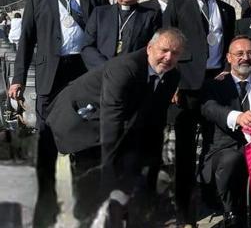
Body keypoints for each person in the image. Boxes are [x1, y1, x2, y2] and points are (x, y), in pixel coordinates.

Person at [8, 0, 110, 227]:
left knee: (89, 136)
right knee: (48, 137)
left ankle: (86, 203)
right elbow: (26, 42)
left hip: (85, 72)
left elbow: (106, 36)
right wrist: (17, 78)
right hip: (50, 75)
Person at [46, 28, 185, 227]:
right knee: (93, 180)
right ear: (149, 48)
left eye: (175, 53)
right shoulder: (125, 67)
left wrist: (153, 163)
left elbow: (156, 118)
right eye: (164, 50)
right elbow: (112, 118)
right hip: (81, 118)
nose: (168, 57)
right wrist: (108, 171)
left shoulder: (172, 76)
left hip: (114, 118)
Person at [163, 0, 236, 226]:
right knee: (183, 148)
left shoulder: (226, 10)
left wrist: (227, 73)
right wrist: (172, 83)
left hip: (216, 84)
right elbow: (167, 46)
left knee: (216, 144)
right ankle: (183, 208)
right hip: (185, 85)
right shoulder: (176, 4)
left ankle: (212, 196)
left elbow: (228, 45)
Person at [200, 36, 251, 228]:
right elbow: (209, 109)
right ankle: (230, 213)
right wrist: (237, 117)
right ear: (229, 57)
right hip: (223, 150)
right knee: (232, 159)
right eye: (239, 54)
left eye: (250, 53)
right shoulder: (214, 85)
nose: (245, 58)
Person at [81, 0, 161, 69]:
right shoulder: (100, 13)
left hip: (134, 73)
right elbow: (87, 46)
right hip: (102, 73)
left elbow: (154, 48)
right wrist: (105, 67)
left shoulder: (151, 15)